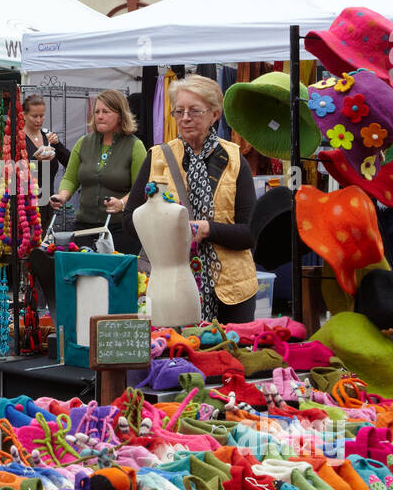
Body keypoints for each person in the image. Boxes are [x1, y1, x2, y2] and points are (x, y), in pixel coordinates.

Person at [121, 75, 258, 322]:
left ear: (214, 114)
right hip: (171, 285)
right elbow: (130, 221)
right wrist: (167, 229)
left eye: (194, 111)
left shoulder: (235, 160)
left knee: (229, 357)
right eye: (179, 111)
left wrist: (207, 229)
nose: (185, 118)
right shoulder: (158, 157)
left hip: (232, 289)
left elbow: (250, 233)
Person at [48, 90, 146, 241]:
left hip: (120, 229)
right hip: (84, 227)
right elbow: (70, 178)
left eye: (106, 112)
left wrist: (122, 203)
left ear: (120, 115)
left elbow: (140, 189)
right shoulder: (83, 142)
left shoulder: (135, 146)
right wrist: (62, 196)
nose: (99, 116)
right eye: (97, 112)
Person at [23, 94, 70, 227]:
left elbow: (70, 162)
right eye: (34, 116)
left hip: (47, 204)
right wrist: (34, 161)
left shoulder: (47, 137)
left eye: (42, 116)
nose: (39, 120)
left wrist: (58, 145)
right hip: (24, 206)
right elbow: (11, 172)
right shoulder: (18, 138)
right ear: (24, 115)